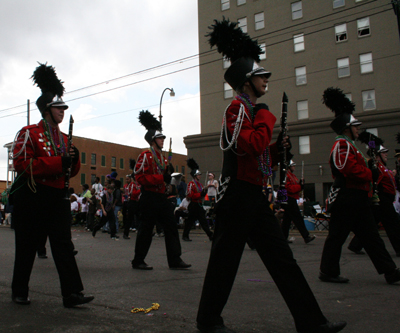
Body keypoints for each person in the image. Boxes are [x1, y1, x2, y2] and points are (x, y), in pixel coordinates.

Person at [197, 19, 346, 333]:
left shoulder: (251, 111)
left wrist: (279, 150)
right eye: (260, 75)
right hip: (236, 195)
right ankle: (208, 320)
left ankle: (311, 321)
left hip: (251, 194)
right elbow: (250, 144)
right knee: (225, 262)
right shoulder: (237, 110)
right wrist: (266, 117)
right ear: (247, 80)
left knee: (282, 259)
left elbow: (260, 153)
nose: (266, 79)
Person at [10, 63, 93, 307]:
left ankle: (72, 293)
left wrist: (73, 160)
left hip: (57, 197)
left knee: (63, 245)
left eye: (63, 107)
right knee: (26, 245)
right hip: (34, 196)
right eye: (59, 107)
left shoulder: (65, 138)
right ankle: (19, 290)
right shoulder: (29, 133)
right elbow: (22, 165)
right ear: (47, 109)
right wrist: (58, 161)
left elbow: (71, 171)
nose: (63, 111)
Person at [319, 87, 400, 285]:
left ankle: (390, 271)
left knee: (372, 237)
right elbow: (345, 167)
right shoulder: (342, 144)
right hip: (346, 196)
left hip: (357, 197)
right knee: (337, 237)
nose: (358, 129)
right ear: (347, 127)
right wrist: (370, 173)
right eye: (355, 126)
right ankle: (327, 271)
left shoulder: (350, 145)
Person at [131, 110, 191, 270]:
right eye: (160, 138)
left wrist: (171, 179)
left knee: (171, 226)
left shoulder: (163, 159)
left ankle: (175, 259)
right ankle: (138, 260)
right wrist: (161, 178)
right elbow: (139, 177)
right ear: (153, 140)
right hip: (149, 197)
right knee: (146, 229)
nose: (162, 140)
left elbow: (165, 178)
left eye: (163, 137)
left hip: (161, 197)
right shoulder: (145, 155)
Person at [347, 144, 400, 257]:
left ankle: (355, 245)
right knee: (393, 224)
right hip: (381, 200)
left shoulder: (383, 167)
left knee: (369, 225)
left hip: (385, 200)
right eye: (383, 152)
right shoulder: (376, 167)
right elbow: (374, 182)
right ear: (377, 155)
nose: (386, 154)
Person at [281, 160, 315, 244]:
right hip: (288, 199)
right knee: (298, 218)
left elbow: (294, 186)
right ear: (289, 167)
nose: (294, 167)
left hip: (291, 199)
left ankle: (283, 238)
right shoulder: (286, 175)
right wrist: (300, 186)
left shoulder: (291, 175)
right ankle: (306, 236)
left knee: (287, 220)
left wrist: (300, 184)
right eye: (293, 166)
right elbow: (289, 188)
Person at [183, 159, 214, 242]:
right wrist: (200, 194)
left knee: (203, 220)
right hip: (193, 204)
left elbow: (202, 194)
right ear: (194, 176)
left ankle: (210, 235)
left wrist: (205, 191)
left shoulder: (200, 184)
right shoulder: (191, 184)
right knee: (190, 221)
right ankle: (185, 235)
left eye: (200, 174)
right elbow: (190, 194)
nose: (200, 176)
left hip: (199, 204)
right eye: (198, 175)